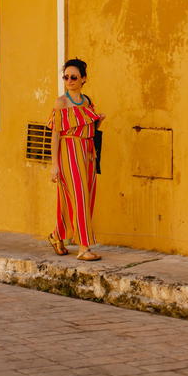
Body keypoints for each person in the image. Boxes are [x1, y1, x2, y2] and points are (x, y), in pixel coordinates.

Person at [46, 58, 106, 261]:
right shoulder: (61, 102)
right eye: (66, 77)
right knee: (79, 196)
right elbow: (55, 134)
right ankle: (83, 247)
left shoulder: (87, 101)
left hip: (88, 152)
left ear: (83, 79)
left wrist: (98, 122)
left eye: (74, 77)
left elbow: (89, 127)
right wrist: (54, 165)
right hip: (69, 151)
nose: (69, 80)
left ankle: (57, 235)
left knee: (82, 197)